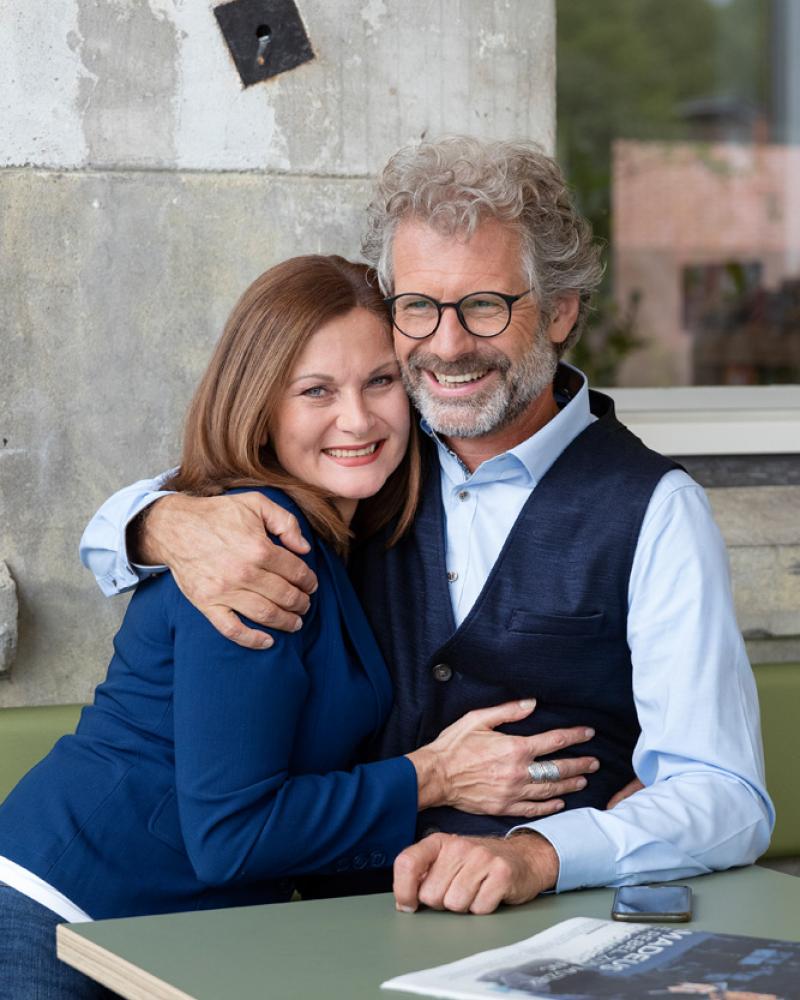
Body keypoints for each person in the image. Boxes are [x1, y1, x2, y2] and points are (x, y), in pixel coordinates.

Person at [80, 137, 774, 918]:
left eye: (485, 305)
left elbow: (726, 795)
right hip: (318, 925)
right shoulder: (367, 451)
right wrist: (161, 523)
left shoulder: (655, 508)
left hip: (538, 931)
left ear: (560, 311)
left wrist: (541, 853)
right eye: (418, 307)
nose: (448, 345)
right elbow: (154, 508)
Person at [0, 254, 602, 998]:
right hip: (57, 912)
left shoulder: (350, 532)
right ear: (261, 406)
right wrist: (434, 775)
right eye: (316, 391)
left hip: (162, 938)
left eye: (381, 381)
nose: (358, 419)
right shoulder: (258, 552)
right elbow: (233, 836)